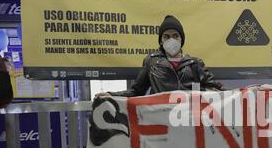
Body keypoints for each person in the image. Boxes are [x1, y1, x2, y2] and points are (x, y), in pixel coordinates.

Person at [95, 15, 223, 98]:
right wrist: (111, 95)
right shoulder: (151, 62)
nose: (171, 39)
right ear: (161, 41)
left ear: (181, 39)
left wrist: (241, 94)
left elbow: (218, 90)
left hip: (189, 123)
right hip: (161, 122)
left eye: (175, 36)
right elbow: (136, 92)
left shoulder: (195, 64)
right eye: (166, 36)